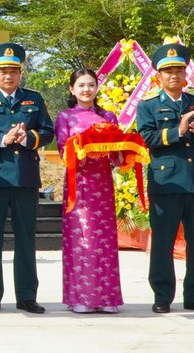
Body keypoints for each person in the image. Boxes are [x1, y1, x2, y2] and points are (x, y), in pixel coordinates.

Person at [0, 42, 54, 314]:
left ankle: (27, 296)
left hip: (26, 177)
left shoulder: (34, 99)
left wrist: (28, 138)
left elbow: (48, 131)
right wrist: (3, 139)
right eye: (3, 71)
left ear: (20, 73)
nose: (9, 76)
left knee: (26, 238)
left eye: (14, 71)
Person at [136, 43, 194, 314]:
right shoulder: (148, 105)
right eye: (168, 71)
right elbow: (147, 138)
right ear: (158, 76)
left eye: (179, 70)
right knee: (163, 241)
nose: (174, 76)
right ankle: (162, 295)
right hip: (166, 183)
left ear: (186, 74)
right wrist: (178, 130)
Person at [54, 68, 123, 314]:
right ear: (72, 89)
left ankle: (107, 297)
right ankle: (81, 297)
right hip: (79, 183)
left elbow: (117, 153)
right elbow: (64, 151)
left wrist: (123, 152)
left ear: (97, 88)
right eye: (81, 85)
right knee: (82, 238)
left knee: (104, 239)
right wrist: (83, 147)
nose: (86, 89)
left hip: (103, 183)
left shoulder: (108, 116)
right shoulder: (65, 118)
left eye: (91, 85)